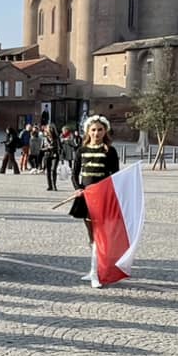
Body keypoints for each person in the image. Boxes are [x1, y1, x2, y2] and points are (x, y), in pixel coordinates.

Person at [68, 115, 120, 288]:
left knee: (100, 235)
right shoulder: (81, 151)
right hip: (86, 198)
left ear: (105, 131)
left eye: (100, 129)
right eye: (93, 129)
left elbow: (115, 176)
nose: (96, 133)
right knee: (91, 235)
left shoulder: (110, 151)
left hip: (102, 198)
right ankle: (93, 269)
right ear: (87, 131)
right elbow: (75, 174)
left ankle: (97, 272)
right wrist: (78, 188)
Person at [42, 124, 61, 191]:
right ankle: (49, 186)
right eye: (49, 128)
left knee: (53, 170)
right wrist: (47, 148)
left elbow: (60, 147)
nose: (50, 130)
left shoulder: (57, 138)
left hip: (55, 155)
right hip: (47, 155)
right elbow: (41, 148)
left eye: (51, 128)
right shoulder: (44, 138)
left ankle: (54, 185)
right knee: (48, 171)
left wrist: (57, 151)